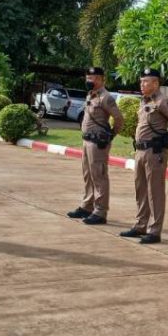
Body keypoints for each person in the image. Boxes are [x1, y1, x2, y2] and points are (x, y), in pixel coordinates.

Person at [121, 68, 168, 244]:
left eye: (146, 81)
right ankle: (141, 225)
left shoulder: (163, 101)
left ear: (156, 83)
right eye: (141, 81)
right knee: (140, 189)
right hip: (140, 151)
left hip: (154, 152)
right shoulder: (144, 101)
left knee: (154, 191)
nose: (142, 84)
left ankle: (154, 230)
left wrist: (167, 138)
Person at [67, 67, 124, 225]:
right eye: (87, 78)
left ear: (99, 79)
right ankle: (87, 206)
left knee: (99, 176)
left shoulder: (106, 97)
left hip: (97, 143)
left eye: (91, 78)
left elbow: (119, 118)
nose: (88, 81)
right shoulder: (90, 95)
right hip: (87, 141)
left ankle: (100, 211)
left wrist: (111, 135)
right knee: (88, 175)